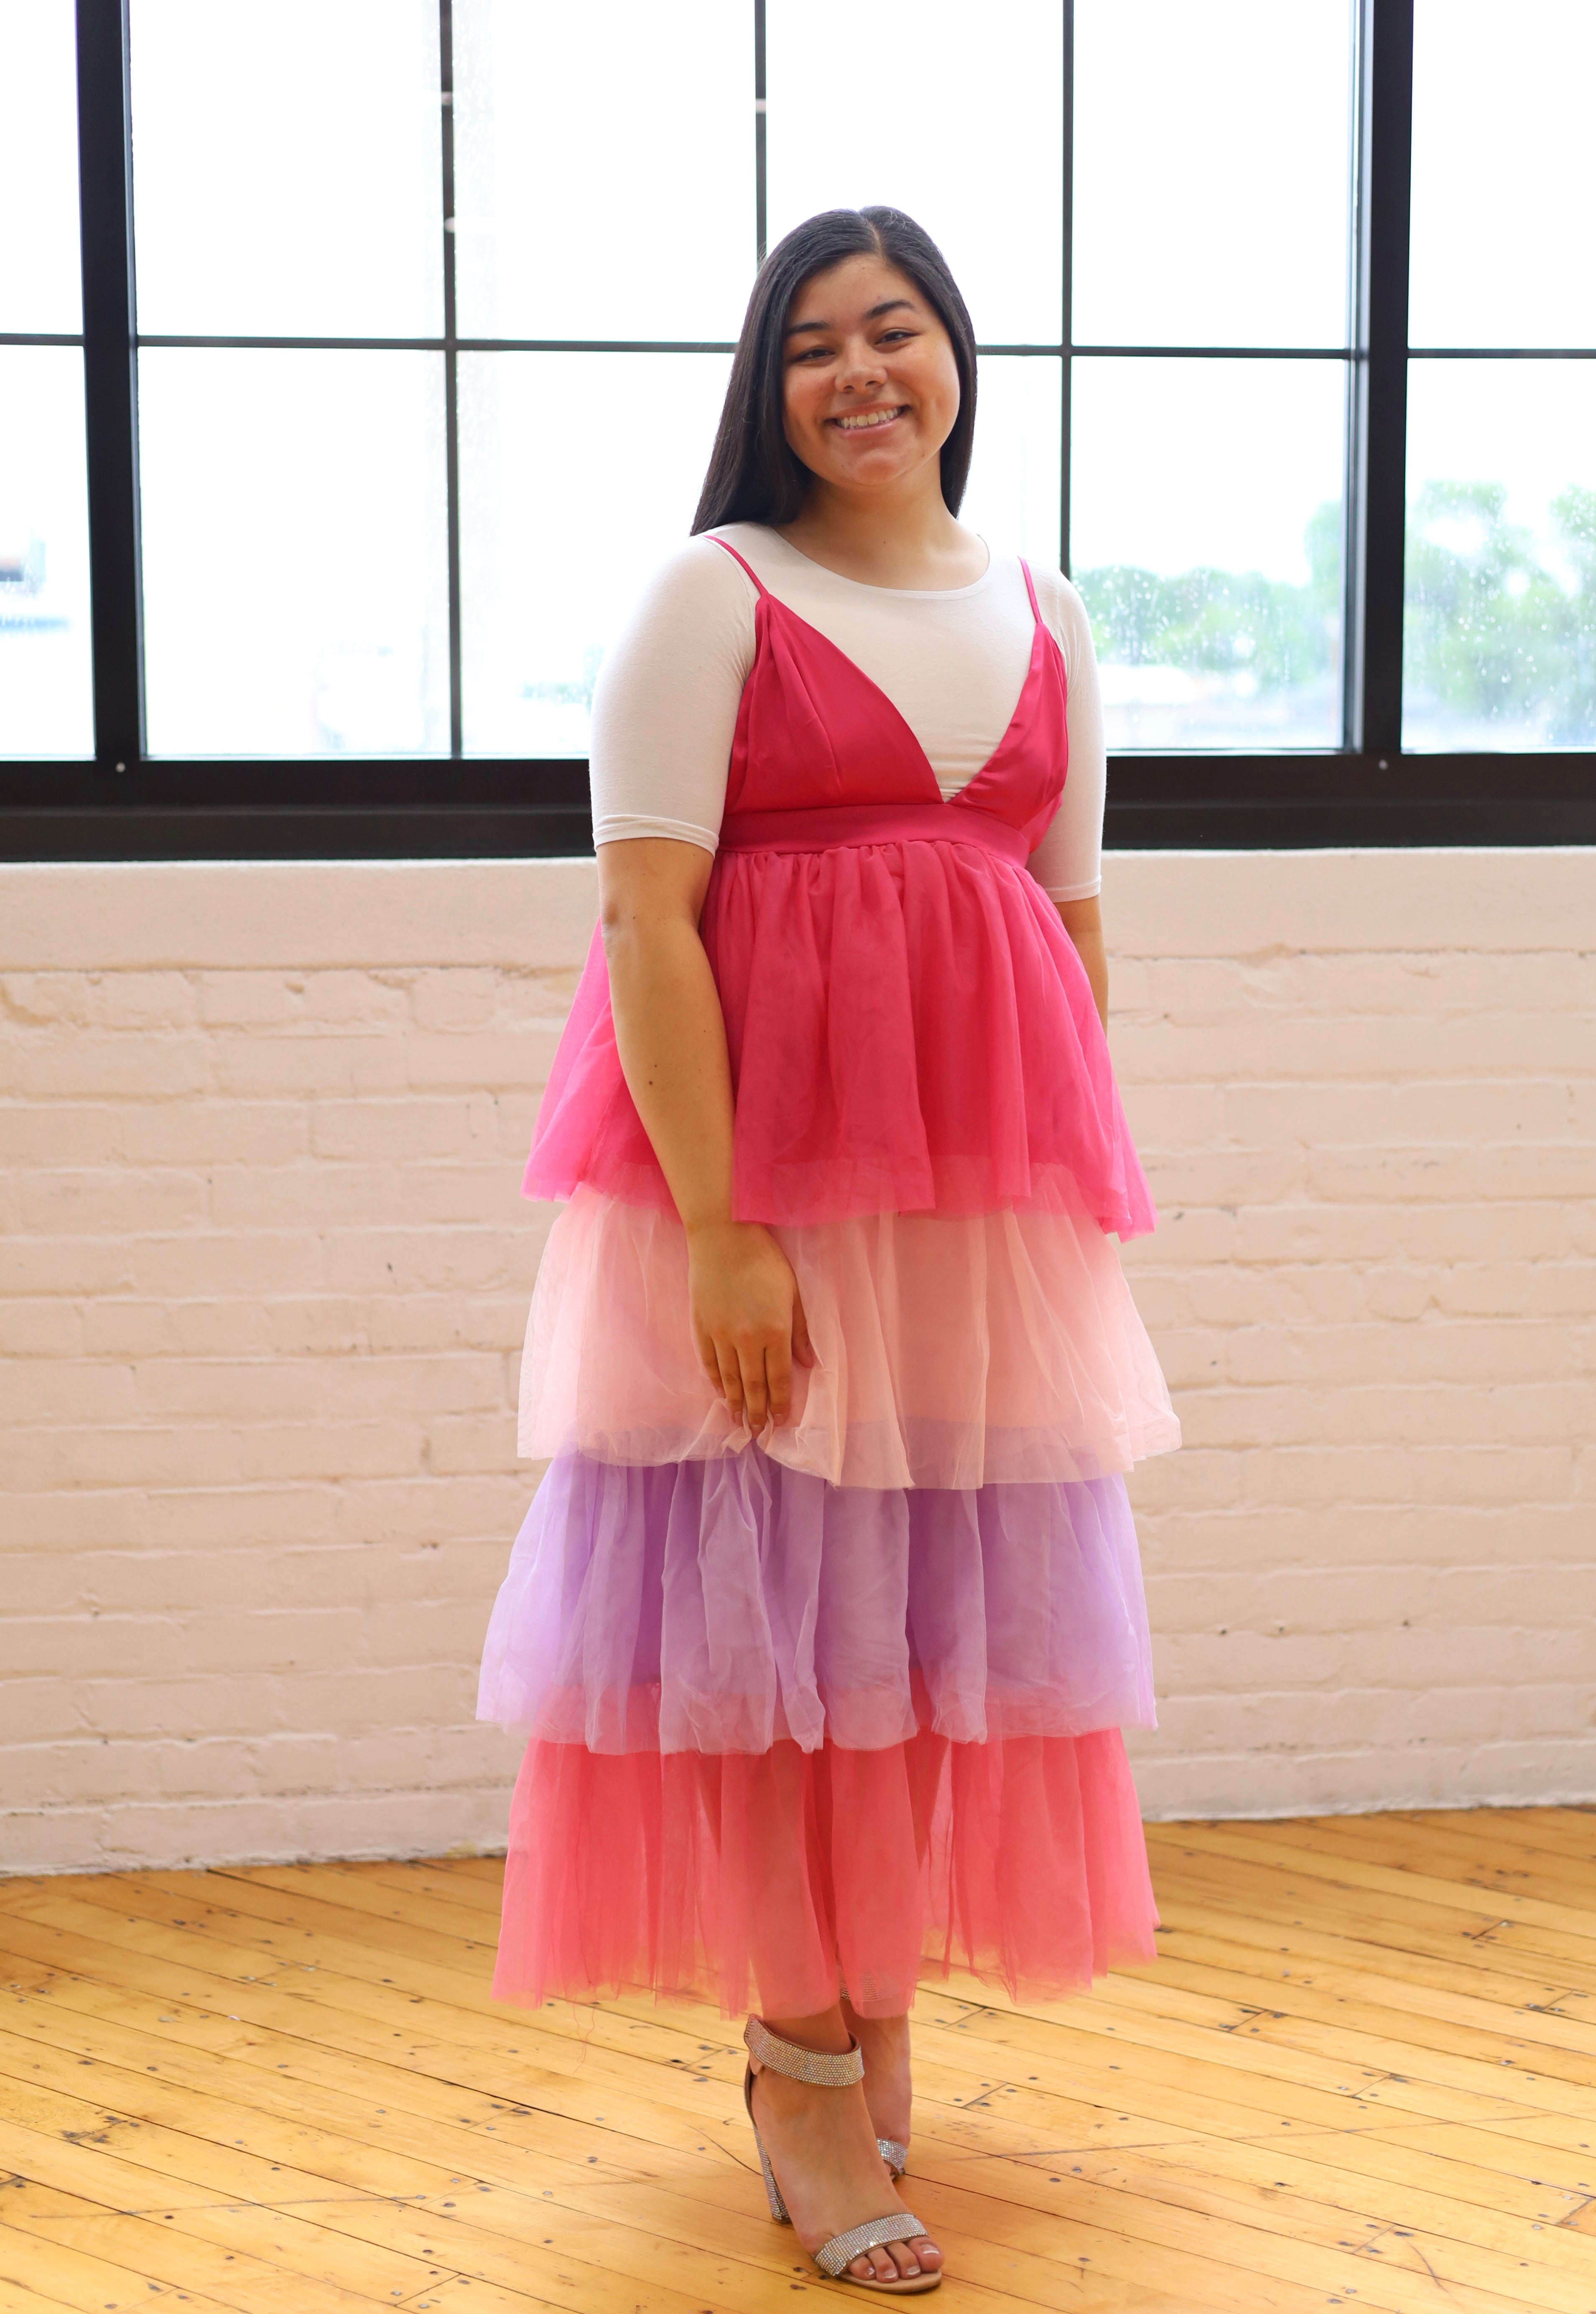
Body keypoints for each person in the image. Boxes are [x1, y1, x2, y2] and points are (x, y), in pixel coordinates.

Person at [477, 205, 1179, 2295]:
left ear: (954, 355)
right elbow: (643, 922)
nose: (859, 372)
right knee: (766, 1633)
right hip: (760, 1201)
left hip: (966, 1227)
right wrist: (722, 1233)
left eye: (893, 330)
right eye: (810, 344)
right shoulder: (710, 595)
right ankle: (797, 2066)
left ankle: (872, 2006)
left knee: (925, 1627)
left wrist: (1049, 1204)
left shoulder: (1047, 609)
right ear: (764, 388)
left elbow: (1067, 922)